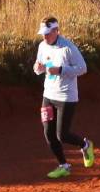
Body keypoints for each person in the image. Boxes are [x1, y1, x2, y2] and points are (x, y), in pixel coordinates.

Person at [32, 16, 94, 179]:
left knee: (62, 135)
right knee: (48, 133)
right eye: (43, 34)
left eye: (48, 33)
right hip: (48, 95)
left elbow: (82, 68)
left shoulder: (68, 48)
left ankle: (85, 145)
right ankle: (63, 166)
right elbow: (38, 67)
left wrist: (60, 70)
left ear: (56, 31)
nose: (45, 37)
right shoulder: (42, 46)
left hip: (66, 96)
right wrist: (37, 68)